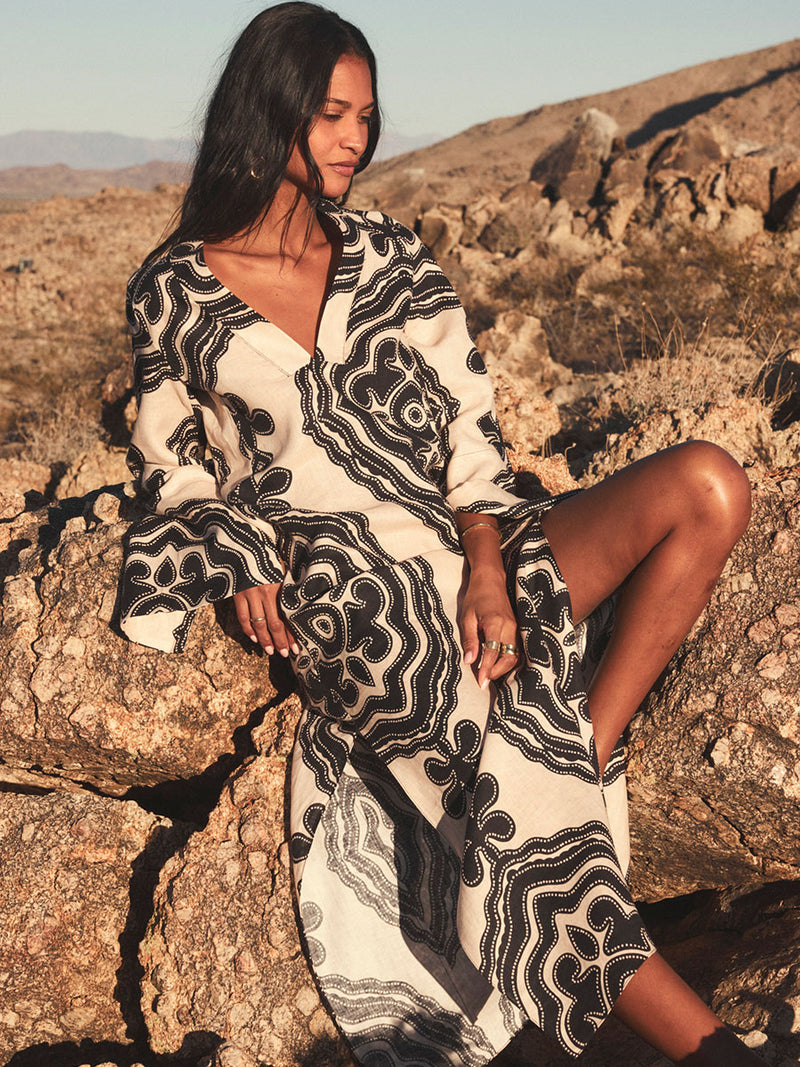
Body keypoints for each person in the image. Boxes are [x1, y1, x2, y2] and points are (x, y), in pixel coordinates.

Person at [118, 4, 761, 1065]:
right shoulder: (175, 287)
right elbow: (171, 463)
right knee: (525, 823)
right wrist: (234, 558)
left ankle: (568, 757)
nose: (351, 142)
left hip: (469, 547)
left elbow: (472, 437)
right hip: (351, 592)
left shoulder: (390, 255)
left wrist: (487, 566)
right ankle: (718, 1050)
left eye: (363, 119)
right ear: (265, 109)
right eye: (329, 114)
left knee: (708, 485)